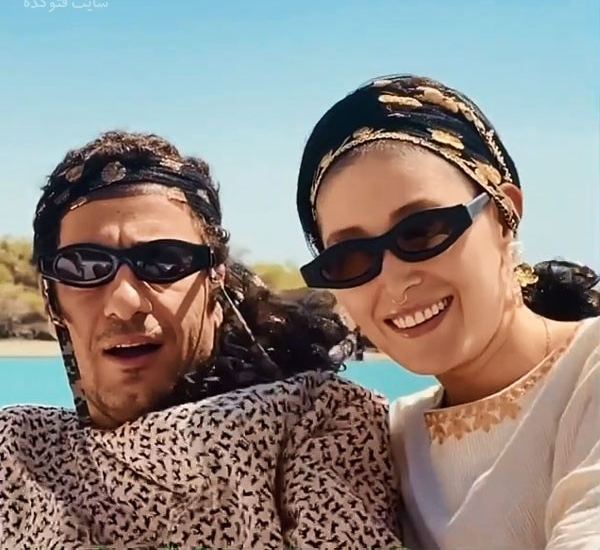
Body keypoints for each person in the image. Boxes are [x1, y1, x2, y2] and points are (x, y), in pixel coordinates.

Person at [0, 131, 404, 549]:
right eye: (84, 267)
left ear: (215, 279)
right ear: (51, 297)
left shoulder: (311, 423)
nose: (124, 302)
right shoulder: (18, 452)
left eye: (164, 261)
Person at [295, 74, 600, 550]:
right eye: (350, 258)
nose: (395, 281)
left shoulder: (588, 374)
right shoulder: (381, 443)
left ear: (504, 214)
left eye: (423, 231)